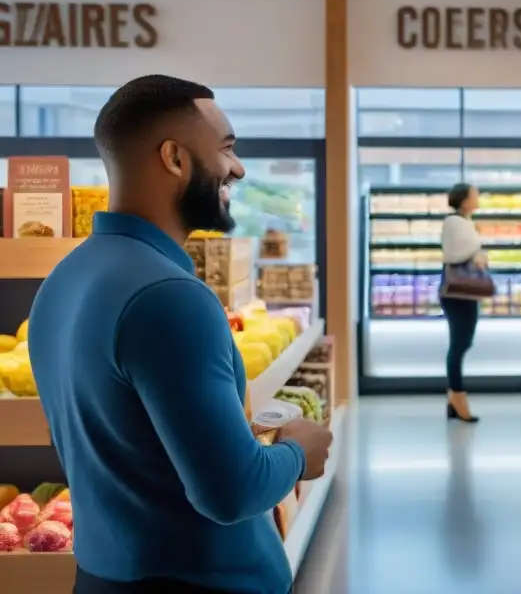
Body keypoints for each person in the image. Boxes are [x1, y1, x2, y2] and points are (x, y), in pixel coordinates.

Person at [28, 75, 333, 594]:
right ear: (174, 157)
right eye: (227, 149)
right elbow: (230, 492)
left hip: (104, 574)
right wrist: (298, 452)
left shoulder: (63, 280)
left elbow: (130, 446)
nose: (237, 168)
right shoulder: (170, 296)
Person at [440, 182, 487, 423]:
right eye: (475, 194)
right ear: (464, 199)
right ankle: (458, 398)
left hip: (462, 291)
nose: (478, 197)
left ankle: (453, 398)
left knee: (461, 344)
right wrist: (478, 251)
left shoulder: (463, 221)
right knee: (460, 345)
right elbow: (456, 253)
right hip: (458, 293)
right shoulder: (454, 222)